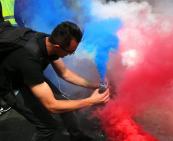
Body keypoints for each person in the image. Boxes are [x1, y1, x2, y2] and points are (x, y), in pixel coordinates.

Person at [0, 11, 110, 141]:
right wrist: (91, 100)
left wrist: (95, 85)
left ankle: (77, 137)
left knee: (67, 105)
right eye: (70, 52)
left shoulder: (48, 40)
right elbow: (52, 106)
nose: (70, 55)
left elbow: (65, 73)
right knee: (47, 127)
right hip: (9, 84)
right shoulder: (29, 60)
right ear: (58, 47)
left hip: (26, 75)